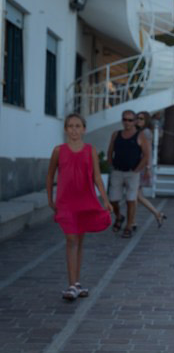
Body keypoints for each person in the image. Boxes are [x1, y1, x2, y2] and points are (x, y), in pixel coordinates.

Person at [46, 114, 112, 300]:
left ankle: (76, 283)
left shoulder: (90, 150)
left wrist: (105, 200)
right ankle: (71, 285)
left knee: (79, 242)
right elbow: (50, 176)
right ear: (65, 129)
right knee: (71, 240)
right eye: (70, 126)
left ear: (84, 129)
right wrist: (50, 198)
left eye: (77, 126)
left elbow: (97, 177)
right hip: (66, 202)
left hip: (85, 201)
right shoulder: (58, 150)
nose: (74, 130)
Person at [107, 110, 150, 239]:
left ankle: (129, 226)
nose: (127, 122)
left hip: (132, 172)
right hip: (117, 171)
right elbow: (110, 151)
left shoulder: (140, 135)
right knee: (113, 199)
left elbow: (146, 154)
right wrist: (111, 165)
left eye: (130, 120)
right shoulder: (116, 134)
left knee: (131, 200)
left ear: (135, 121)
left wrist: (138, 169)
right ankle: (119, 216)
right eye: (125, 119)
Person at [132, 112, 166, 228]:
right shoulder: (139, 132)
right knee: (136, 195)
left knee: (134, 195)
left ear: (146, 120)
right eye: (137, 118)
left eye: (141, 118)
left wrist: (148, 168)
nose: (138, 120)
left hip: (142, 166)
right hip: (138, 164)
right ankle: (157, 213)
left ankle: (133, 221)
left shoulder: (145, 132)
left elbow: (149, 152)